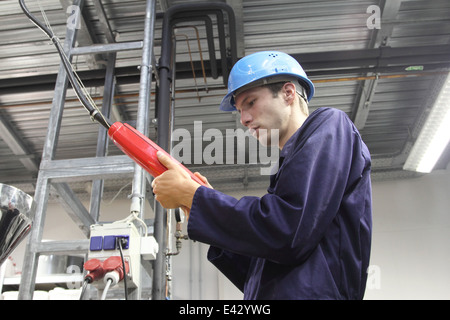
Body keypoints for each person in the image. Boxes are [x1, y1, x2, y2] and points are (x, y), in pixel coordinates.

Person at [151, 51, 372, 300]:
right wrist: (203, 206)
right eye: (239, 110)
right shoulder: (286, 175)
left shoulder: (331, 125)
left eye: (251, 102)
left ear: (288, 93)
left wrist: (199, 199)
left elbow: (288, 231)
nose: (244, 119)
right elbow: (259, 274)